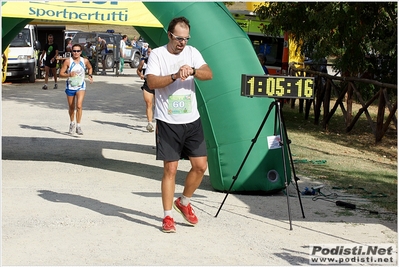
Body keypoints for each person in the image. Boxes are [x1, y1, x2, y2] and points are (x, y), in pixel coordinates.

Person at [145, 16, 213, 233]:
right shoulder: (157, 54)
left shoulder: (192, 53)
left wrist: (192, 71)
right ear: (169, 35)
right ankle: (167, 217)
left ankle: (184, 201)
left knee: (201, 166)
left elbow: (208, 74)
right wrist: (175, 75)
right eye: (178, 38)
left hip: (191, 120)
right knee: (171, 169)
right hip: (168, 121)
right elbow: (151, 82)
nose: (182, 42)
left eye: (186, 38)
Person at [59, 44, 93, 135]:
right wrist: (69, 75)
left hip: (81, 86)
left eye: (78, 51)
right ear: (71, 51)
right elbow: (61, 74)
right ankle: (72, 123)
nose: (76, 53)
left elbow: (90, 68)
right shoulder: (68, 61)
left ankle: (78, 125)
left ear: (81, 52)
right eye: (74, 51)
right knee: (71, 107)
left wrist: (90, 75)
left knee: (79, 105)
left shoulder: (84, 61)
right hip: (70, 86)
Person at [136, 47, 155, 132]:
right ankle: (150, 123)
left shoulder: (159, 62)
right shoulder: (144, 61)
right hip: (147, 84)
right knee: (149, 103)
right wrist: (140, 75)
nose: (149, 54)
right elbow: (138, 70)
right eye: (148, 52)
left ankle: (160, 123)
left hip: (158, 85)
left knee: (159, 105)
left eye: (151, 52)